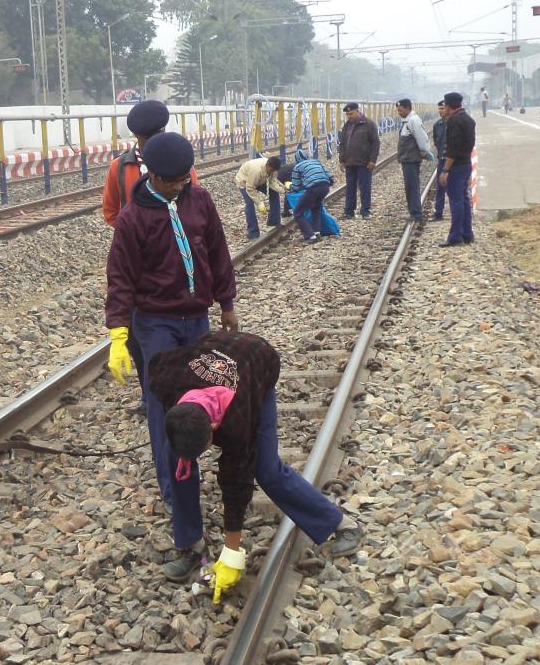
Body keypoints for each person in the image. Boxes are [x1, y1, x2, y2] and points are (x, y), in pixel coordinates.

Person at [149, 330, 365, 596]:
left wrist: (232, 553)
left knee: (267, 470)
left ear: (214, 426)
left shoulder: (238, 419)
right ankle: (191, 545)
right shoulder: (165, 379)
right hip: (214, 349)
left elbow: (236, 482)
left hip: (257, 361)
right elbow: (155, 363)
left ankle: (342, 525)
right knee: (175, 460)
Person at [105, 131, 238, 516]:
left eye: (185, 179)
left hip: (196, 318)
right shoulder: (133, 218)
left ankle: (197, 459)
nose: (182, 186)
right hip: (155, 322)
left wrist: (226, 302)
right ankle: (174, 487)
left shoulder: (199, 200)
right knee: (164, 404)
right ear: (154, 176)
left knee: (200, 395)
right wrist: (118, 332)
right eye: (175, 182)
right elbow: (120, 278)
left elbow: (217, 250)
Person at [102, 100, 199, 415]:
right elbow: (111, 210)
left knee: (176, 329)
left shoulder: (180, 162)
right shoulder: (120, 168)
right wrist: (136, 235)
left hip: (176, 260)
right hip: (136, 264)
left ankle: (180, 397)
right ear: (138, 138)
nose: (155, 140)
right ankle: (151, 396)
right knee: (136, 334)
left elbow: (194, 206)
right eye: (149, 137)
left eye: (158, 133)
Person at [439, 92, 477, 247]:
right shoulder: (468, 119)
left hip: (456, 167)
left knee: (456, 201)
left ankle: (455, 237)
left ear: (449, 106)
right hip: (466, 164)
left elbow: (452, 149)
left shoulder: (454, 121)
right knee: (464, 199)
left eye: (445, 105)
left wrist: (445, 170)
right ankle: (467, 234)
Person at [337, 102, 380, 219]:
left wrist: (372, 160)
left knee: (365, 187)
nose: (349, 116)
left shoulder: (369, 124)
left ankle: (365, 211)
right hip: (349, 162)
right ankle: (349, 211)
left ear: (357, 111)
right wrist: (342, 160)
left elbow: (375, 143)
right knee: (350, 187)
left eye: (351, 114)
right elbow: (342, 143)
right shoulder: (346, 126)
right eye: (347, 114)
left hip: (364, 162)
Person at [395, 99, 435, 223]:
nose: (399, 113)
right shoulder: (408, 121)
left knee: (412, 186)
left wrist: (425, 151)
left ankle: (416, 213)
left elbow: (422, 137)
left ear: (407, 108)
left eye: (400, 110)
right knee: (410, 186)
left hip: (411, 159)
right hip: (407, 159)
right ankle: (414, 212)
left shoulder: (413, 121)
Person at [287, 146, 334, 242]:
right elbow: (330, 177)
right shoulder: (316, 162)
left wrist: (290, 187)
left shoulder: (297, 167)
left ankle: (310, 236)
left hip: (313, 189)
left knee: (298, 212)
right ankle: (317, 232)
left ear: (297, 159)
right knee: (315, 208)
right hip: (325, 187)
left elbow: (296, 186)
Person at [234, 156, 285, 240]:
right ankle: (253, 232)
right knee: (250, 204)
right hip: (244, 181)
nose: (272, 172)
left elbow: (272, 182)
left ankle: (274, 221)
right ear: (267, 165)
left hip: (260, 180)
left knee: (274, 194)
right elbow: (250, 188)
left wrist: (283, 190)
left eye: (274, 171)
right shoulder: (256, 171)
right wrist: (259, 203)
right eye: (271, 170)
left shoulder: (273, 170)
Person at [431, 100, 449, 221]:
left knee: (454, 187)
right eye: (439, 109)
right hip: (442, 159)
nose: (440, 111)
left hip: (453, 160)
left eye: (442, 108)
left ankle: (457, 213)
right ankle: (438, 213)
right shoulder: (437, 125)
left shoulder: (453, 123)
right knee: (440, 187)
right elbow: (436, 141)